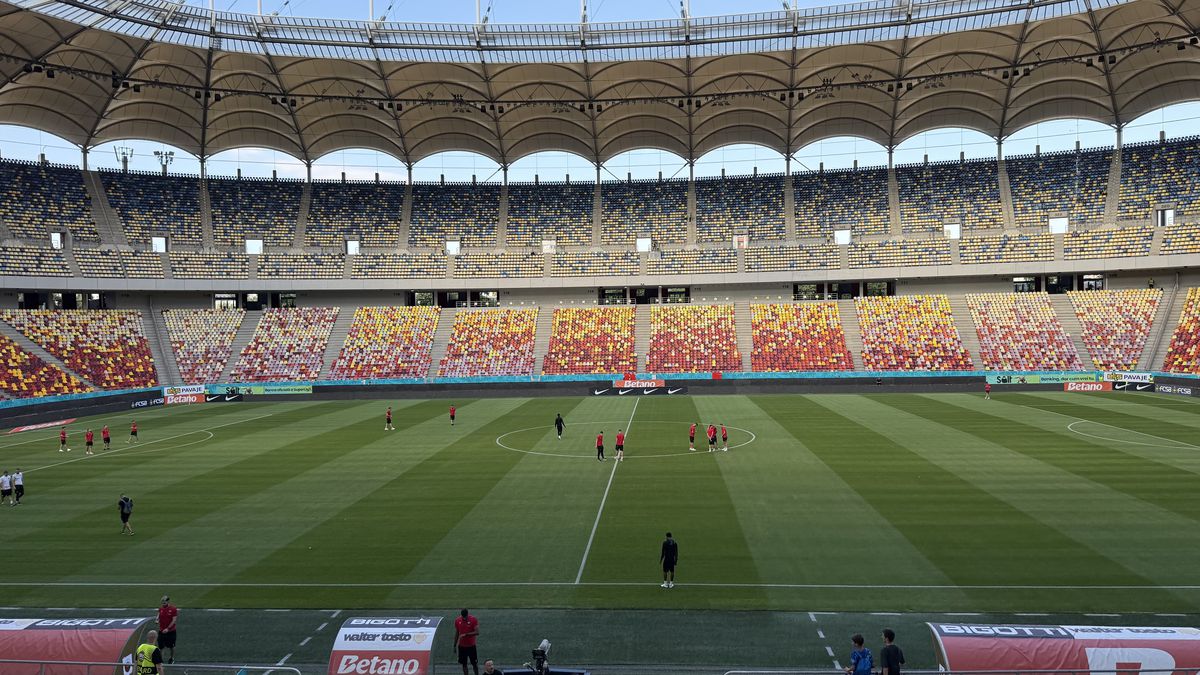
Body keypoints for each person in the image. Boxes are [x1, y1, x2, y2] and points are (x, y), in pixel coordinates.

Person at [453, 609, 480, 675]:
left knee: (474, 664)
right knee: (464, 664)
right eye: (463, 617)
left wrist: (466, 634)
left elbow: (477, 632)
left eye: (465, 616)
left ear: (467, 614)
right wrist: (454, 645)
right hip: (462, 646)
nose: (464, 618)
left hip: (471, 646)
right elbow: (457, 633)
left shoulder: (473, 620)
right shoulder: (457, 620)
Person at [157, 595, 178, 664]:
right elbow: (158, 615)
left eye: (164, 601)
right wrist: (157, 619)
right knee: (161, 647)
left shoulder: (173, 609)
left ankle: (171, 658)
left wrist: (168, 628)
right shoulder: (160, 609)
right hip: (161, 631)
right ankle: (161, 660)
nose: (163, 602)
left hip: (171, 631)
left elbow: (174, 620)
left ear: (168, 601)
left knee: (171, 646)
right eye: (162, 601)